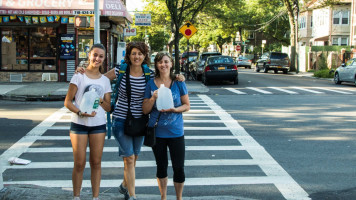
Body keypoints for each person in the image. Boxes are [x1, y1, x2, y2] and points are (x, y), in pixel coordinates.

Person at [76, 42, 185, 200]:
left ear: (144, 56)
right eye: (134, 53)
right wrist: (83, 71)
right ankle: (132, 196)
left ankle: (124, 185)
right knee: (129, 158)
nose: (137, 56)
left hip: (141, 121)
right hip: (121, 119)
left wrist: (178, 77)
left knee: (134, 158)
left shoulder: (149, 73)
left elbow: (165, 74)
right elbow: (99, 79)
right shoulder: (120, 70)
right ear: (129, 55)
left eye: (140, 54)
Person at [64, 43, 112, 200]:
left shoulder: (105, 80)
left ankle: (95, 197)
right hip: (79, 124)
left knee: (96, 163)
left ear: (104, 59)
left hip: (98, 125)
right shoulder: (79, 75)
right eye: (95, 55)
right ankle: (76, 196)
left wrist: (100, 99)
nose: (97, 58)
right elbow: (68, 102)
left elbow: (108, 107)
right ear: (89, 55)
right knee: (79, 163)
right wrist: (80, 112)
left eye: (101, 56)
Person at [142, 52, 190, 200]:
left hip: (176, 132)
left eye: (166, 61)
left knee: (178, 167)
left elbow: (186, 105)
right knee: (161, 167)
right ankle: (163, 197)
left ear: (171, 64)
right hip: (158, 132)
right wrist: (153, 98)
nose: (163, 64)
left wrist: (176, 110)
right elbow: (145, 110)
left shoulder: (178, 82)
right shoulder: (150, 83)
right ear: (156, 65)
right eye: (160, 62)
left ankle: (179, 198)